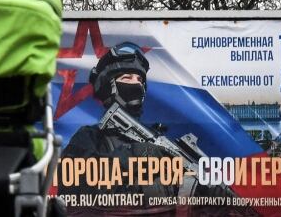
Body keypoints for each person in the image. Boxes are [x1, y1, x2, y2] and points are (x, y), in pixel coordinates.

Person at [60, 43, 246, 216]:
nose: (136, 83)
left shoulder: (160, 143)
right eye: (127, 78)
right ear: (109, 86)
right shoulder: (91, 137)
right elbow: (72, 187)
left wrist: (208, 201)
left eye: (140, 79)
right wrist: (133, 155)